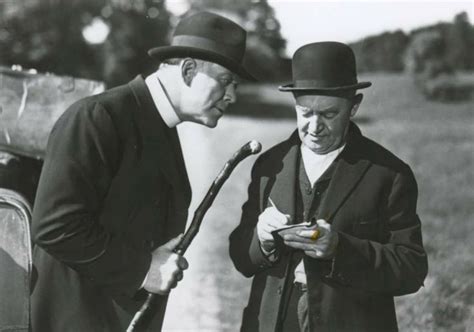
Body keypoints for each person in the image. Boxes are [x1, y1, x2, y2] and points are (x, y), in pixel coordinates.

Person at [30, 12, 255, 331]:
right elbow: (54, 225)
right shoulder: (98, 117)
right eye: (225, 81)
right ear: (189, 70)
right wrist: (142, 269)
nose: (232, 95)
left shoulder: (158, 125)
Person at [229, 42, 428, 332]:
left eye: (329, 114)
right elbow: (240, 257)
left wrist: (340, 248)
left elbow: (411, 269)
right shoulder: (269, 165)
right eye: (305, 113)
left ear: (354, 107)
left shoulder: (390, 174)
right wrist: (261, 239)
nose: (314, 126)